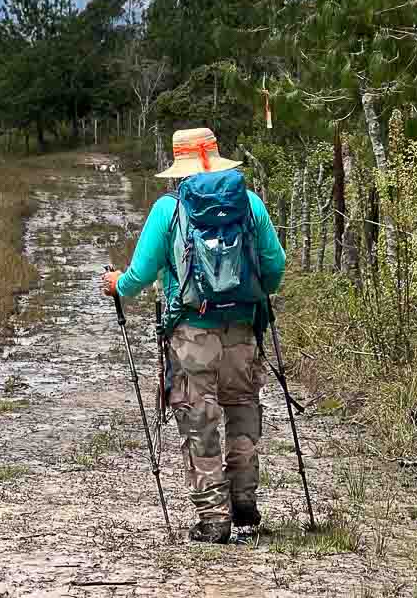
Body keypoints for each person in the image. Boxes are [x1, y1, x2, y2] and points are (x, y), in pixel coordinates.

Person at [102, 128, 286, 544]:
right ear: (217, 158)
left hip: (190, 336)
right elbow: (275, 269)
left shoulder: (168, 209)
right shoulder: (251, 205)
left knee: (200, 422)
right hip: (242, 331)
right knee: (242, 410)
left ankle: (213, 518)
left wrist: (116, 283)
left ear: (178, 168)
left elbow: (139, 276)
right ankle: (243, 498)